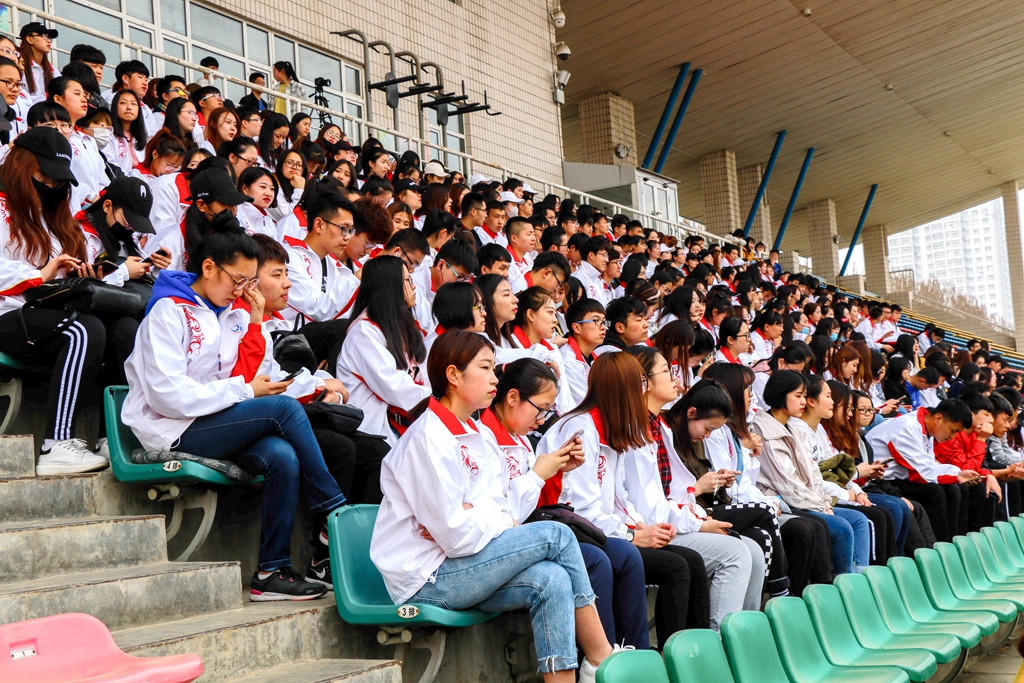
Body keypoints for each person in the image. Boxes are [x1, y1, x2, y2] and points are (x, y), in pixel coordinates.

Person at [371, 331, 616, 682]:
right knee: (558, 535)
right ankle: (601, 657)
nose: (494, 379)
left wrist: (478, 512)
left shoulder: (476, 433)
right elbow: (457, 536)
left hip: (462, 565)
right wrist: (487, 516)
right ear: (454, 376)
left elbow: (501, 510)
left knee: (553, 578)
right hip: (426, 578)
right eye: (485, 368)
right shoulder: (428, 438)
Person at [123, 226, 345, 599]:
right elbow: (167, 396)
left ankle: (271, 572)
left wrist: (255, 324)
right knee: (283, 410)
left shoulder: (231, 314)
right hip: (171, 428)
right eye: (238, 280)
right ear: (209, 267)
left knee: (282, 455)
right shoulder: (167, 312)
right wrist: (244, 390)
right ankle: (334, 510)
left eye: (249, 282)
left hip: (215, 420)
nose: (241, 290)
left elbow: (248, 375)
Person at [542, 354, 759, 633]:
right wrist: (633, 534)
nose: (643, 391)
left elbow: (622, 499)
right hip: (579, 533)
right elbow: (581, 509)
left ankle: (698, 650)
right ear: (620, 388)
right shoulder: (581, 429)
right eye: (641, 382)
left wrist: (639, 526)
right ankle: (644, 651)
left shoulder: (619, 428)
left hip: (618, 527)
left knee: (693, 560)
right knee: (673, 564)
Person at [481, 358, 657, 649]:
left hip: (531, 530)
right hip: (505, 542)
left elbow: (538, 504)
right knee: (597, 561)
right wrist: (540, 475)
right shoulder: (486, 437)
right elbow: (508, 512)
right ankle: (601, 658)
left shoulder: (520, 439)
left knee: (626, 555)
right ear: (512, 398)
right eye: (540, 409)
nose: (542, 420)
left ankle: (634, 654)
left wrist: (558, 472)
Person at [0, 127, 116, 473]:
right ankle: (56, 445)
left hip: (41, 312)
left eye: (57, 181)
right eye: (44, 176)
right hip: (7, 314)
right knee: (82, 330)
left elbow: (53, 275)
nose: (51, 185)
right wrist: (40, 274)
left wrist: (82, 276)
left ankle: (111, 439)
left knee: (122, 327)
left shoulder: (48, 216)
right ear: (20, 163)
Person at [703, 362, 832, 596]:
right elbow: (732, 485)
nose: (751, 396)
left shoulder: (736, 429)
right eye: (746, 390)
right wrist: (771, 501)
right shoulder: (722, 431)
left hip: (759, 500)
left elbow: (746, 480)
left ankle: (820, 595)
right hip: (731, 504)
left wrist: (824, 502)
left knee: (818, 525)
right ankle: (783, 593)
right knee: (804, 528)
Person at [752, 371, 868, 575]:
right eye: (798, 396)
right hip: (783, 502)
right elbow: (788, 485)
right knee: (841, 528)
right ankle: (840, 584)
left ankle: (857, 580)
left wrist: (825, 504)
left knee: (858, 520)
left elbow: (814, 475)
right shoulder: (765, 430)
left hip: (807, 500)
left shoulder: (791, 428)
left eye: (805, 396)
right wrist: (822, 506)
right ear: (780, 394)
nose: (803, 402)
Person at [336, 255, 429, 446]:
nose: (413, 286)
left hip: (401, 423)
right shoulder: (363, 332)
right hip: (373, 432)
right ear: (390, 286)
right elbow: (393, 386)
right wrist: (441, 402)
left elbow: (421, 375)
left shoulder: (399, 326)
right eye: (407, 280)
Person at [865, 397, 977, 543]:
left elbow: (929, 464)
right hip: (880, 481)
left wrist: (957, 473)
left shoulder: (925, 427)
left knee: (955, 488)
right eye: (953, 430)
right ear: (938, 418)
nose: (953, 437)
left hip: (902, 476)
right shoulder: (907, 428)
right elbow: (922, 473)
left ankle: (955, 541)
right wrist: (956, 475)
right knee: (934, 492)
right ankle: (939, 545)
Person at [48, 76, 109, 213]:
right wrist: (87, 196)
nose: (84, 99)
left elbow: (102, 181)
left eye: (84, 95)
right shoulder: (52, 135)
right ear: (58, 99)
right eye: (77, 94)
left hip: (92, 212)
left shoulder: (88, 140)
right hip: (66, 210)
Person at [561, 298, 606, 406]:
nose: (603, 327)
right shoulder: (567, 360)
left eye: (604, 321)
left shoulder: (596, 359)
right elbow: (584, 403)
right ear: (577, 328)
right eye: (596, 321)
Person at [108, 89, 148, 175]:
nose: (129, 107)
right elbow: (111, 167)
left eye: (133, 104)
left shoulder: (143, 138)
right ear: (115, 107)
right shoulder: (108, 135)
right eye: (123, 103)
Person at [19, 22, 59, 107]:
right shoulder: (19, 64)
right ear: (29, 39)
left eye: (49, 38)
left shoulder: (53, 70)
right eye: (44, 36)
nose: (49, 40)